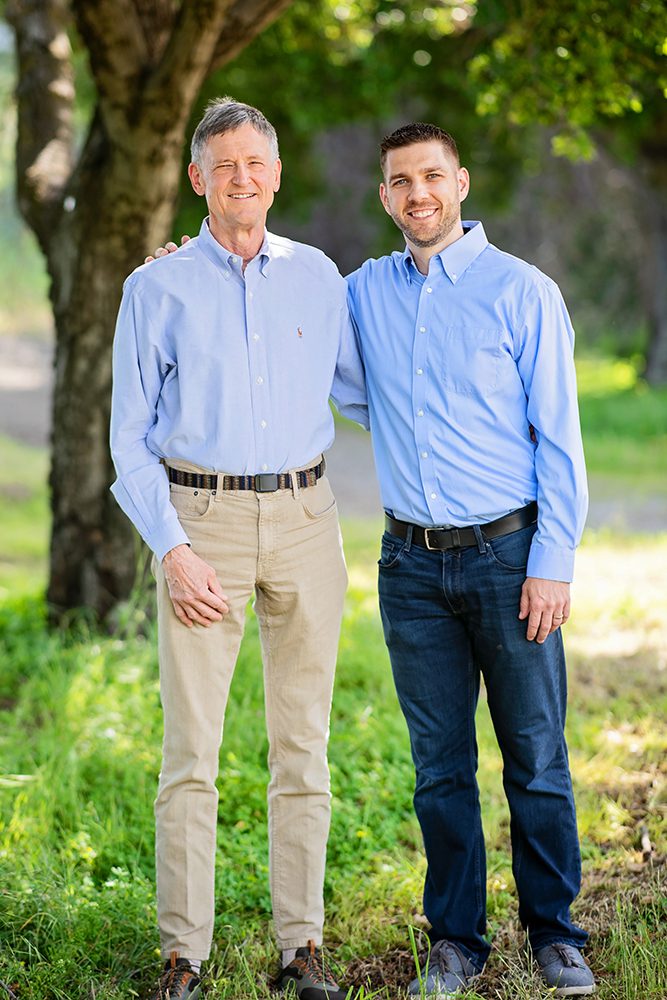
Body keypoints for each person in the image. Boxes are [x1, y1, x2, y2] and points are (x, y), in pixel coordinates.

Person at [110, 97, 367, 1000]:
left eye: (255, 162)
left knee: (302, 747)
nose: (242, 178)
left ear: (277, 174)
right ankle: (185, 952)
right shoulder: (157, 289)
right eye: (224, 166)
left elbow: (365, 391)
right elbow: (128, 439)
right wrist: (173, 550)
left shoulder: (320, 278)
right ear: (197, 179)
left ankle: (302, 947)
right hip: (202, 524)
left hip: (305, 520)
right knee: (192, 754)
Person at [345, 122, 594, 997]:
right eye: (399, 181)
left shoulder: (520, 291)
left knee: (534, 755)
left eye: (430, 177)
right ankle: (456, 939)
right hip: (408, 569)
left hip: (509, 555)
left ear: (458, 183)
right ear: (384, 197)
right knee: (439, 765)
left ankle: (554, 930)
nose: (416, 194)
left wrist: (551, 560)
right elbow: (291, 339)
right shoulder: (361, 293)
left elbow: (558, 440)